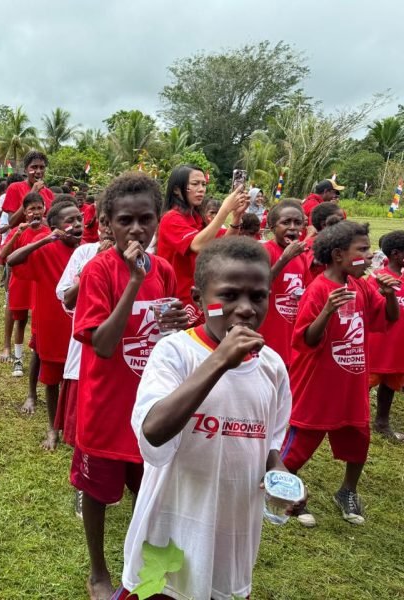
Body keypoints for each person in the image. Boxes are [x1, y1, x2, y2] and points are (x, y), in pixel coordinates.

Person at [115, 236, 295, 600]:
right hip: (169, 532)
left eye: (258, 297)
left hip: (232, 537)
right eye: (228, 296)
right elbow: (153, 431)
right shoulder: (175, 353)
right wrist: (219, 361)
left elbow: (270, 440)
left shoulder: (272, 367)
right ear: (198, 299)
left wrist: (278, 470)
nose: (245, 309)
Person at [72, 173, 187, 600]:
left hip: (149, 407)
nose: (136, 229)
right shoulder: (98, 271)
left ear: (157, 219)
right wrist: (134, 281)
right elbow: (102, 345)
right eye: (125, 220)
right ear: (107, 223)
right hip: (105, 407)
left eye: (145, 219)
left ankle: (142, 565)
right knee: (97, 493)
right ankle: (98, 570)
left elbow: (169, 332)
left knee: (150, 492)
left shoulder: (165, 270)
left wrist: (180, 321)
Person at [282, 221, 399, 527]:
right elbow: (307, 339)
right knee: (299, 445)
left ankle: (347, 490)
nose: (369, 255)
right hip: (318, 385)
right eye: (362, 249)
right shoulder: (318, 290)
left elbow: (388, 318)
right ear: (338, 255)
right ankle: (287, 491)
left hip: (351, 382)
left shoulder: (361, 286)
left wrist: (389, 295)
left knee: (358, 439)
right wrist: (327, 311)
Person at [7, 197, 83, 450]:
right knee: (51, 380)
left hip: (79, 327)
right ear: (56, 227)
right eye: (70, 220)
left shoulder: (88, 250)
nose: (77, 224)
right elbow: (12, 260)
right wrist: (45, 240)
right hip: (51, 325)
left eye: (80, 219)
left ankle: (75, 425)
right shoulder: (46, 249)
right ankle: (52, 428)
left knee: (78, 380)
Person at [56, 202, 115, 517]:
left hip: (125, 360)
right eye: (105, 222)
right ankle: (85, 487)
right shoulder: (84, 254)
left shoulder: (148, 260)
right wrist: (95, 262)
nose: (110, 229)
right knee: (87, 426)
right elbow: (67, 297)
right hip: (88, 357)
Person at [156, 164, 248, 325]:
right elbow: (197, 245)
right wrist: (224, 209)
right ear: (177, 190)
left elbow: (224, 245)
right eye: (195, 184)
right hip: (179, 305)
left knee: (217, 329)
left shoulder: (197, 219)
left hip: (201, 299)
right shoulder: (171, 218)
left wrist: (236, 217)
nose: (201, 189)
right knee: (188, 340)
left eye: (203, 184)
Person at [0, 192, 49, 385]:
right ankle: (18, 358)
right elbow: (3, 255)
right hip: (20, 283)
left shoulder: (49, 231)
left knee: (40, 322)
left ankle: (41, 358)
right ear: (25, 212)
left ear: (44, 209)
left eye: (39, 208)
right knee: (20, 321)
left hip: (40, 284)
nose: (36, 212)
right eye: (31, 209)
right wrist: (16, 234)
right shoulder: (18, 231)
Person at [257, 199, 311, 367]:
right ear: (273, 227)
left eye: (297, 223)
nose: (293, 227)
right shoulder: (265, 251)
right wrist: (284, 258)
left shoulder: (302, 256)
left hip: (289, 333)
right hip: (268, 334)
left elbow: (307, 290)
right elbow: (258, 287)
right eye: (286, 222)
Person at [368, 231, 404, 441]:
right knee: (365, 383)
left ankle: (382, 422)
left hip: (398, 345)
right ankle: (348, 417)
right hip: (378, 343)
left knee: (390, 384)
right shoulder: (377, 278)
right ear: (396, 254)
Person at [1, 150, 55, 228]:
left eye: (42, 167)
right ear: (25, 170)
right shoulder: (15, 188)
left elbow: (52, 222)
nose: (38, 171)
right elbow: (11, 223)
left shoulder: (48, 193)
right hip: (23, 235)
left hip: (45, 235)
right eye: (34, 167)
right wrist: (32, 194)